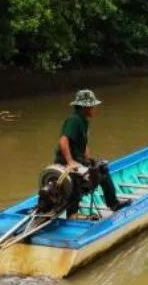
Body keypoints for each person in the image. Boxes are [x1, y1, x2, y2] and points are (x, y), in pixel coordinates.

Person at [54, 89, 130, 217]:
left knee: (99, 168)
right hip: (66, 163)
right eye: (92, 106)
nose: (94, 108)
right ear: (85, 107)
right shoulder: (74, 120)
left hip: (78, 160)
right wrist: (69, 161)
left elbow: (83, 144)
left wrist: (89, 160)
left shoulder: (83, 121)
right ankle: (112, 205)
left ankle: (111, 203)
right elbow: (64, 139)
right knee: (96, 176)